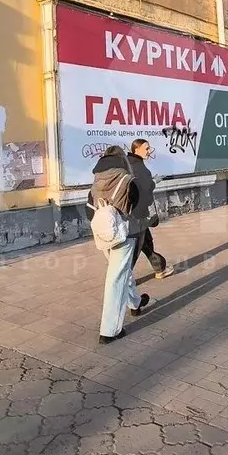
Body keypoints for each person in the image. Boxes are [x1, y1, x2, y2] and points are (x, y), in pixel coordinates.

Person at [86, 146, 151, 344]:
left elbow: (89, 206)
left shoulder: (97, 179)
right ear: (122, 159)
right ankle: (110, 330)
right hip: (125, 234)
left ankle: (135, 302)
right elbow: (140, 206)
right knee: (116, 279)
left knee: (121, 272)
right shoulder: (127, 179)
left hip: (103, 233)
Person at [127, 139, 174, 279]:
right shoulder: (139, 167)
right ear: (137, 150)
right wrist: (155, 181)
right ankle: (124, 278)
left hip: (133, 212)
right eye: (146, 149)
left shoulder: (129, 163)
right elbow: (144, 189)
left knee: (146, 242)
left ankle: (160, 268)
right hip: (138, 213)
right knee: (136, 248)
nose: (149, 152)